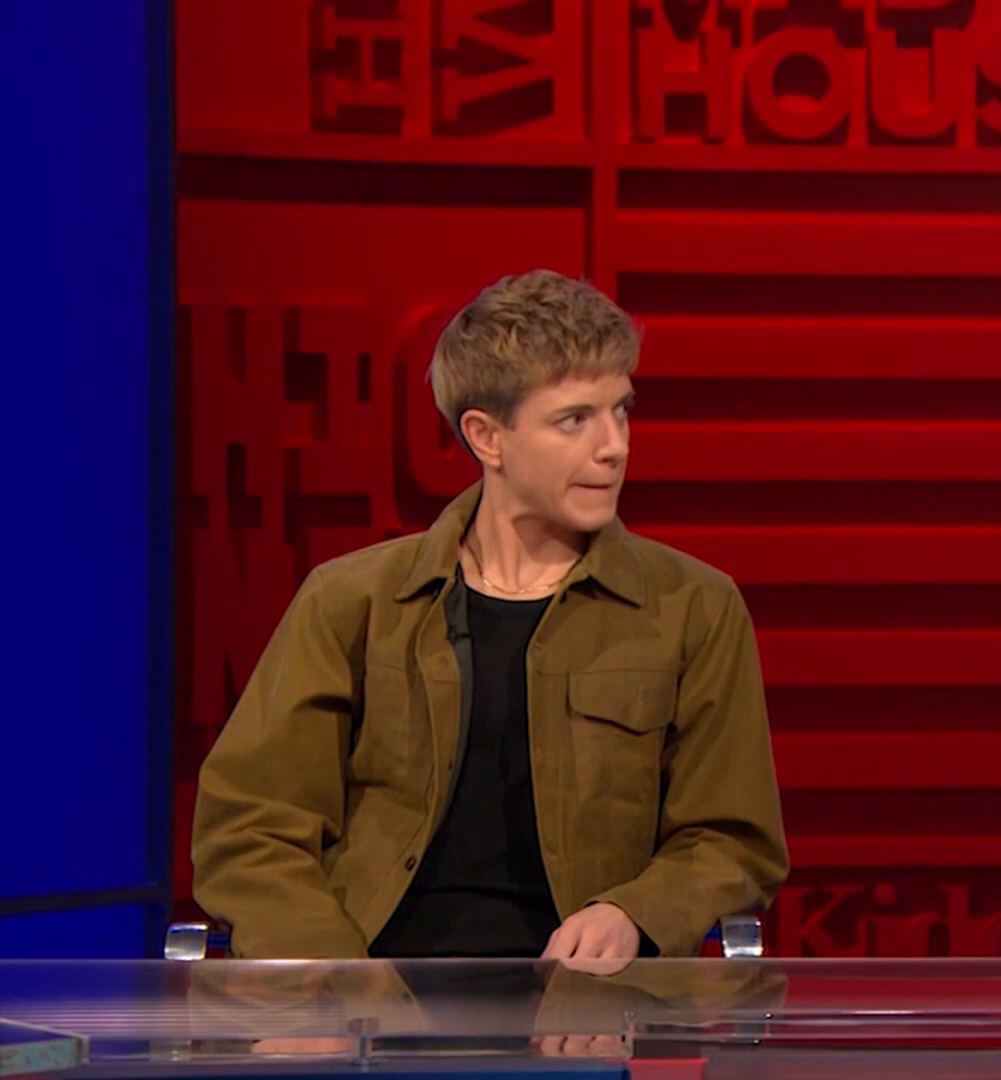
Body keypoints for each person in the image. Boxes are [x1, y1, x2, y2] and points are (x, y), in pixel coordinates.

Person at [192, 270, 788, 961]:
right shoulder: (351, 601)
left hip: (591, 999)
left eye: (621, 410)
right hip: (370, 994)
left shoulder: (695, 608)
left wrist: (634, 913)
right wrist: (332, 978)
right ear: (487, 437)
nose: (614, 445)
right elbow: (250, 830)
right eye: (575, 420)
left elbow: (732, 839)